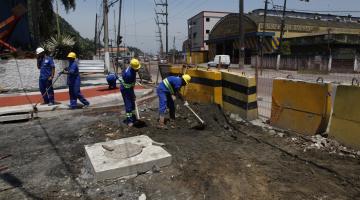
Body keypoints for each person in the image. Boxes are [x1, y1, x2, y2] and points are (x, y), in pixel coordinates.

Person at [120, 58, 141, 127]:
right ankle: (129, 121)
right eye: (137, 68)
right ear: (133, 67)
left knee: (132, 104)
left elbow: (131, 85)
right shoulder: (129, 74)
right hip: (126, 89)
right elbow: (128, 86)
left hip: (129, 88)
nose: (138, 69)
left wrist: (133, 93)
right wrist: (132, 94)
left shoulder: (131, 69)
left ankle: (133, 117)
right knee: (128, 104)